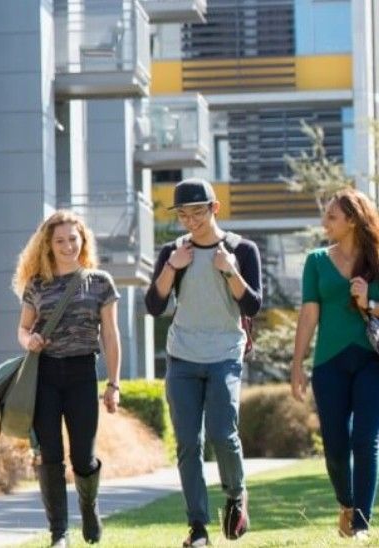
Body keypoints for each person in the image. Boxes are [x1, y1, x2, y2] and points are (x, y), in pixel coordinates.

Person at [144, 178, 259, 547]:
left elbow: (252, 305)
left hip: (225, 354)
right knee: (188, 444)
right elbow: (154, 306)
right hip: (182, 357)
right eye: (183, 214)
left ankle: (236, 494)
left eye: (197, 212)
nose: (190, 220)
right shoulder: (172, 251)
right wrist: (171, 267)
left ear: (214, 209)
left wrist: (229, 270)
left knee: (223, 434)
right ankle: (198, 528)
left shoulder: (242, 249)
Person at [14, 210, 122, 548]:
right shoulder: (36, 285)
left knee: (83, 458)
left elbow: (111, 335)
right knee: (50, 455)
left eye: (72, 239)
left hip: (81, 374)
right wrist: (29, 340)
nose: (67, 246)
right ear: (48, 245)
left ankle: (88, 507)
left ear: (83, 240)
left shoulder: (100, 282)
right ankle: (59, 532)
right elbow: (22, 329)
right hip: (44, 376)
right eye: (59, 240)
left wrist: (114, 384)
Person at [291, 188, 379, 540]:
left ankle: (361, 524)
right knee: (335, 446)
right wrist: (297, 364)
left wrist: (369, 302)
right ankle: (346, 503)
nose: (324, 222)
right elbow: (309, 314)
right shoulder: (316, 261)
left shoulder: (377, 259)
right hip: (329, 363)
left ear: (353, 221)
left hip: (372, 361)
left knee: (365, 439)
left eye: (332, 216)